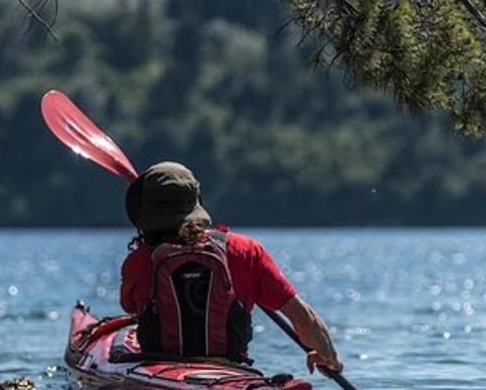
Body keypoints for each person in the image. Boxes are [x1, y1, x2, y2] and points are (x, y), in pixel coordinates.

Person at [120, 161, 343, 376]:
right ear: (196, 202)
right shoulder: (246, 251)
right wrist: (330, 359)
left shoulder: (138, 261)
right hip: (231, 370)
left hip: (163, 370)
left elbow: (129, 306)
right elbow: (303, 318)